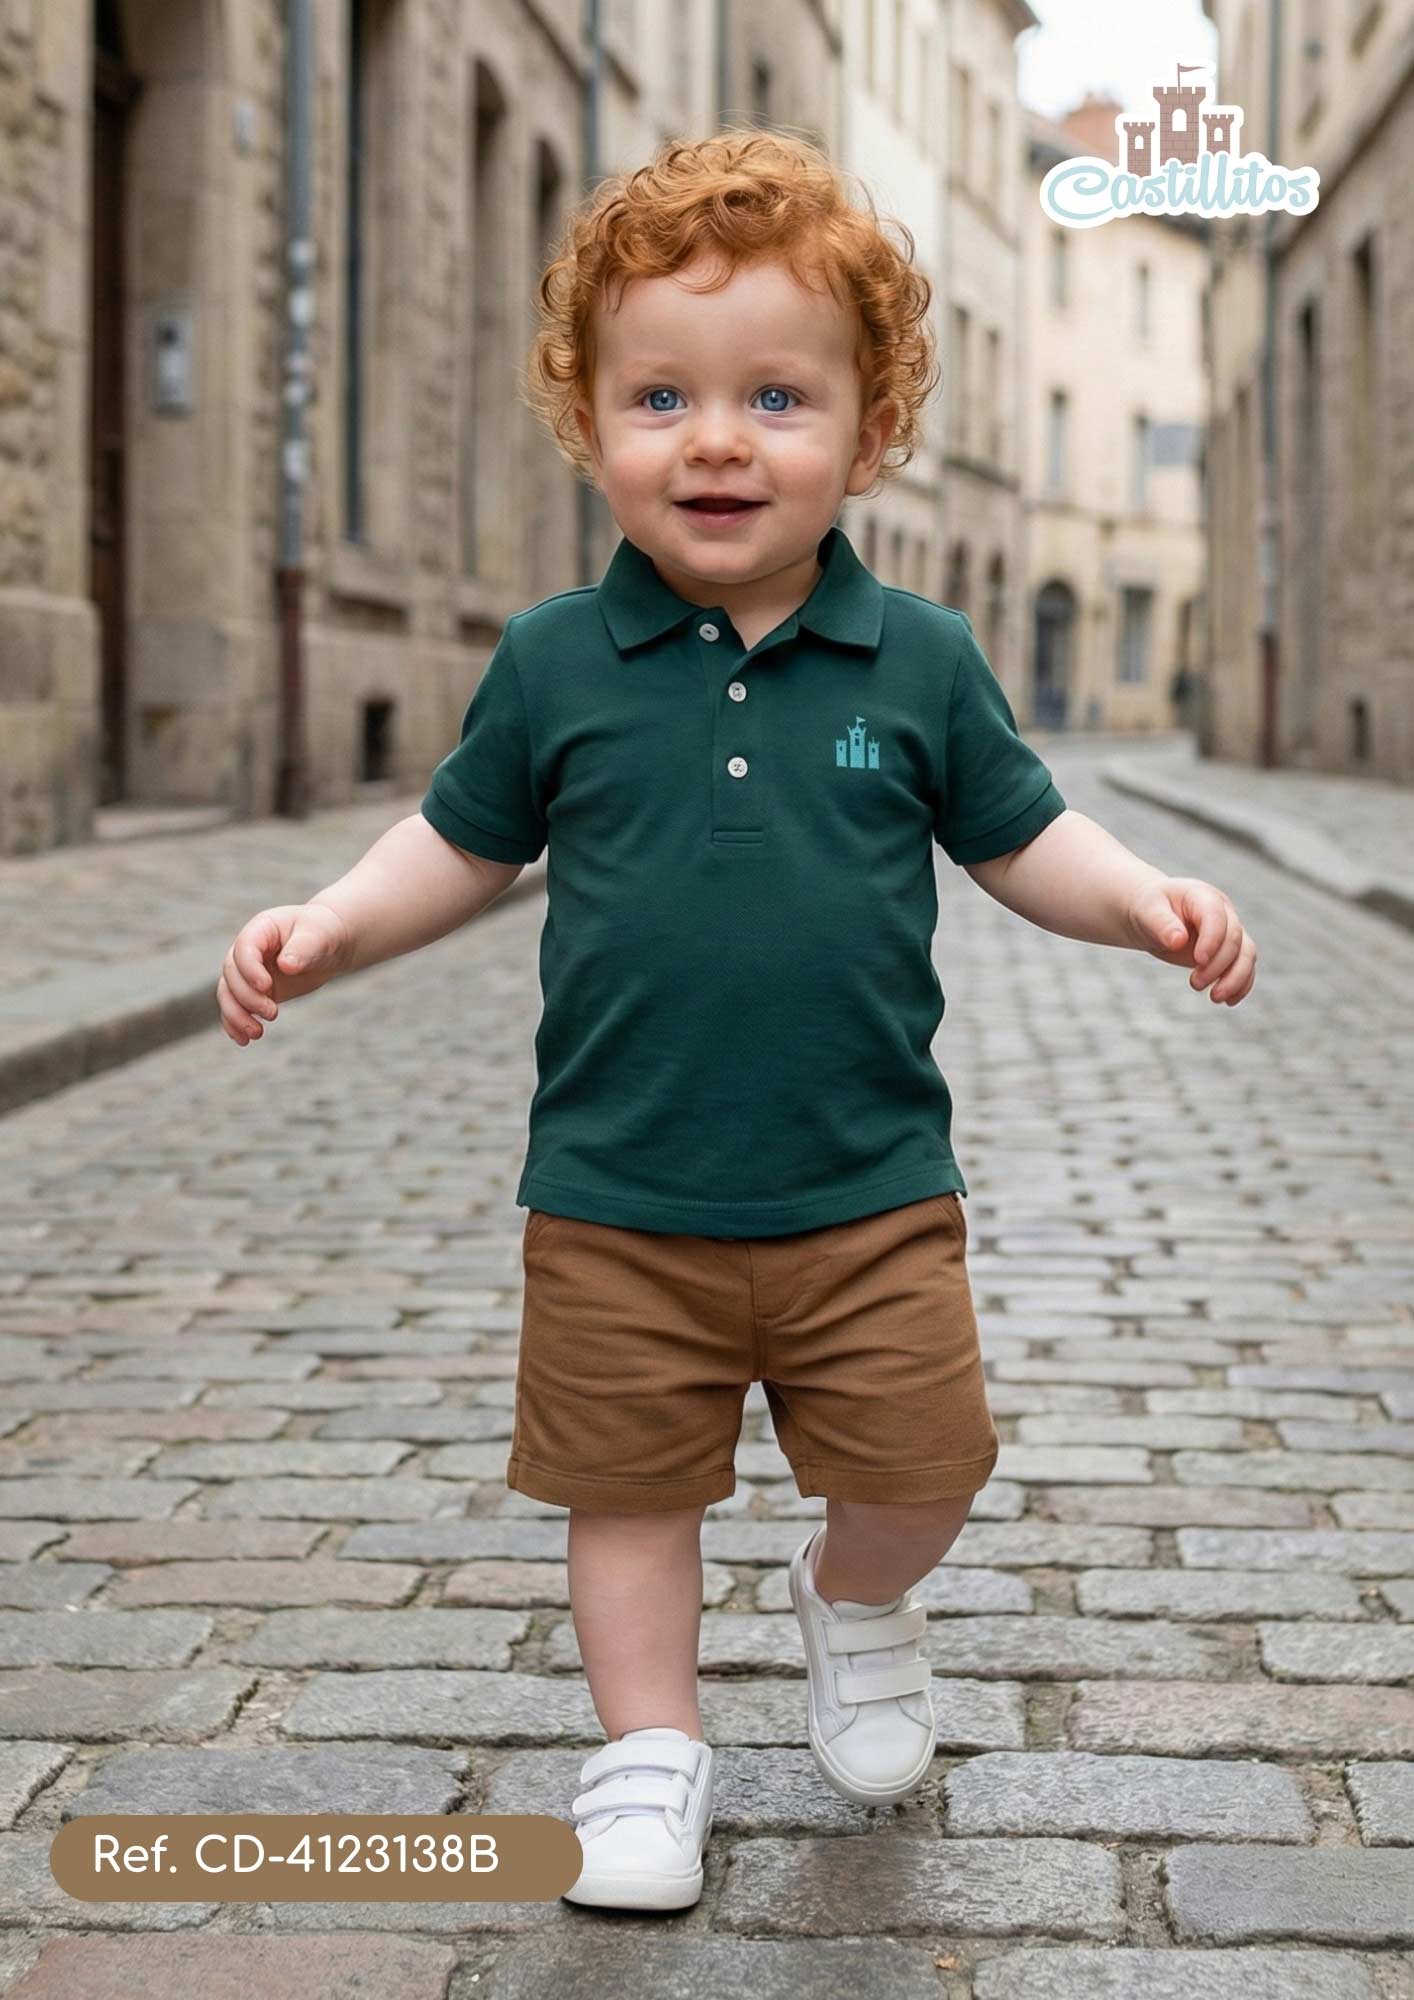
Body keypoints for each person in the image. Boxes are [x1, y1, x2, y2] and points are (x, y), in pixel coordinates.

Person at [216, 127, 1257, 1915]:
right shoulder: (554, 660)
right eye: (661, 397)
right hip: (620, 1190)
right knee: (625, 1494)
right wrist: (326, 923)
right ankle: (647, 1760)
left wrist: (1144, 901)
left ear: (867, 430)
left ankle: (853, 1601)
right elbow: (455, 847)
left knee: (929, 1465)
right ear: (591, 421)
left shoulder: (916, 656)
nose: (714, 439)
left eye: (776, 396)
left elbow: (1024, 838)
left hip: (866, 1186)